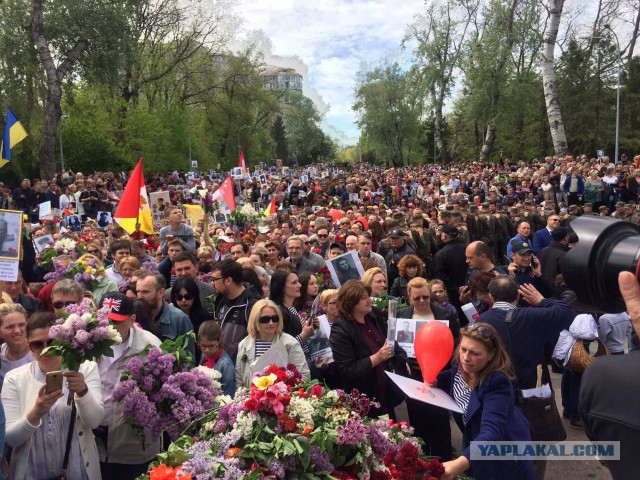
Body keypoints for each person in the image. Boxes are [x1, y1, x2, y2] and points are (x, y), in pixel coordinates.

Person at [3, 311, 104, 480]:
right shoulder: (14, 379)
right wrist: (37, 411)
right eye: (37, 345)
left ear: (63, 342)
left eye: (52, 342)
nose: (46, 350)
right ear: (28, 345)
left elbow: (94, 421)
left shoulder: (85, 369)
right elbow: (10, 439)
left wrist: (83, 391)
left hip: (75, 467)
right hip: (31, 471)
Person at [436, 323, 535, 480]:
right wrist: (434, 380)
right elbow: (450, 375)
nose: (466, 358)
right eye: (463, 349)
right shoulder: (460, 366)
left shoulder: (497, 383)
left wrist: (459, 463)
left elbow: (492, 432)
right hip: (476, 448)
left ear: (491, 355)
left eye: (475, 353)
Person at [95, 292, 162, 479]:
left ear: (132, 319)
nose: (109, 327)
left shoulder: (150, 347)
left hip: (132, 449)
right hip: (94, 444)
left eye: (115, 321)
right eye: (105, 320)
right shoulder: (88, 342)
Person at [580, 272, 640, 480]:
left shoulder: (601, 374)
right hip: (623, 351)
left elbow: (600, 338)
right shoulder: (625, 317)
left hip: (612, 355)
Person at [397, 277, 459, 460]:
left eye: (425, 297)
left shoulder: (444, 314)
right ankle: (422, 458)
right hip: (413, 375)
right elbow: (395, 344)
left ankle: (444, 458)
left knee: (439, 418)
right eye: (417, 298)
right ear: (409, 297)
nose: (422, 301)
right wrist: (403, 360)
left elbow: (455, 340)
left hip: (440, 374)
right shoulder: (402, 315)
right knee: (417, 418)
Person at [477, 276, 575, 390]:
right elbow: (567, 313)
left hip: (496, 388)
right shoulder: (532, 316)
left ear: (491, 297)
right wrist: (542, 301)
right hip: (533, 389)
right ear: (518, 296)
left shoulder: (481, 322)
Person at [329, 280, 397, 418]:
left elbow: (388, 339)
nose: (369, 300)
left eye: (368, 296)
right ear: (351, 302)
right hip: (365, 399)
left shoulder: (374, 315)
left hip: (386, 390)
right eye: (363, 298)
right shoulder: (341, 329)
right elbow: (346, 370)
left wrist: (401, 357)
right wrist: (377, 358)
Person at [235, 300, 309, 389]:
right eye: (264, 319)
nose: (271, 323)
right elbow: (239, 383)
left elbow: (304, 377)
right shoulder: (244, 345)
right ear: (255, 320)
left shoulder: (290, 343)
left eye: (274, 318)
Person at [212, 258, 262, 362]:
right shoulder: (221, 298)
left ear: (228, 280)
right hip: (222, 364)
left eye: (215, 280)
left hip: (241, 368)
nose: (213, 283)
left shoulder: (252, 305)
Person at [135, 272, 195, 356]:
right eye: (138, 291)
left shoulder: (179, 319)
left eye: (145, 292)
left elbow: (188, 359)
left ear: (161, 292)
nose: (140, 296)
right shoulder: (133, 317)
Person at [269, 269, 314, 362]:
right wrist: (304, 335)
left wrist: (310, 325)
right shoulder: (278, 312)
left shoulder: (290, 307)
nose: (300, 285)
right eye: (294, 283)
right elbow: (281, 347)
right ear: (281, 287)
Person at [170, 277, 210, 354]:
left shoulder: (204, 316)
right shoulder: (170, 316)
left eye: (188, 296)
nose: (183, 300)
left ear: (195, 296)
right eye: (179, 297)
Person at [433, 224, 467, 309]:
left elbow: (440, 276)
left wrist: (454, 288)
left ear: (444, 235)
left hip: (451, 294)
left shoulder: (441, 254)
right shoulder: (466, 249)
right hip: (467, 290)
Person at [198, 321, 235, 397]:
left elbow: (229, 395)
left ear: (219, 340)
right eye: (203, 346)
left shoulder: (226, 365)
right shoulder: (203, 354)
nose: (207, 350)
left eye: (211, 346)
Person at [0, 304, 34, 377]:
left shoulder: (38, 351)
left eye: (21, 325)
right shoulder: (1, 354)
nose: (17, 331)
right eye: (10, 327)